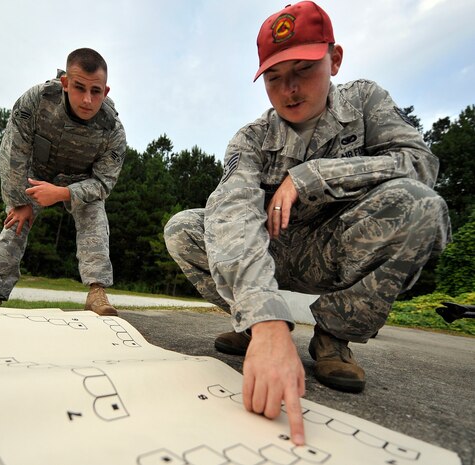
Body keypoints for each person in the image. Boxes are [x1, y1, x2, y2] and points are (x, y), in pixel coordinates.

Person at [164, 1, 450, 446]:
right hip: (274, 253)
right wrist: (265, 318)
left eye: (304, 69)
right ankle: (254, 328)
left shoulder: (365, 101)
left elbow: (418, 164)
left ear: (334, 59)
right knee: (184, 228)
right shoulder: (252, 138)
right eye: (275, 78)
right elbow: (232, 211)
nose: (290, 89)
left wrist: (315, 177)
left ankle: (332, 338)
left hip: (341, 248)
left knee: (420, 206)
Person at [0, 48, 127, 316]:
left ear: (105, 92)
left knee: (95, 217)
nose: (87, 99)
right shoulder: (37, 101)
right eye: (79, 88)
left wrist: (62, 193)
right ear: (66, 83)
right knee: (16, 222)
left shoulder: (112, 130)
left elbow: (103, 184)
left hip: (79, 183)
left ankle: (97, 292)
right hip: (35, 172)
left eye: (96, 91)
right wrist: (19, 200)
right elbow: (14, 152)